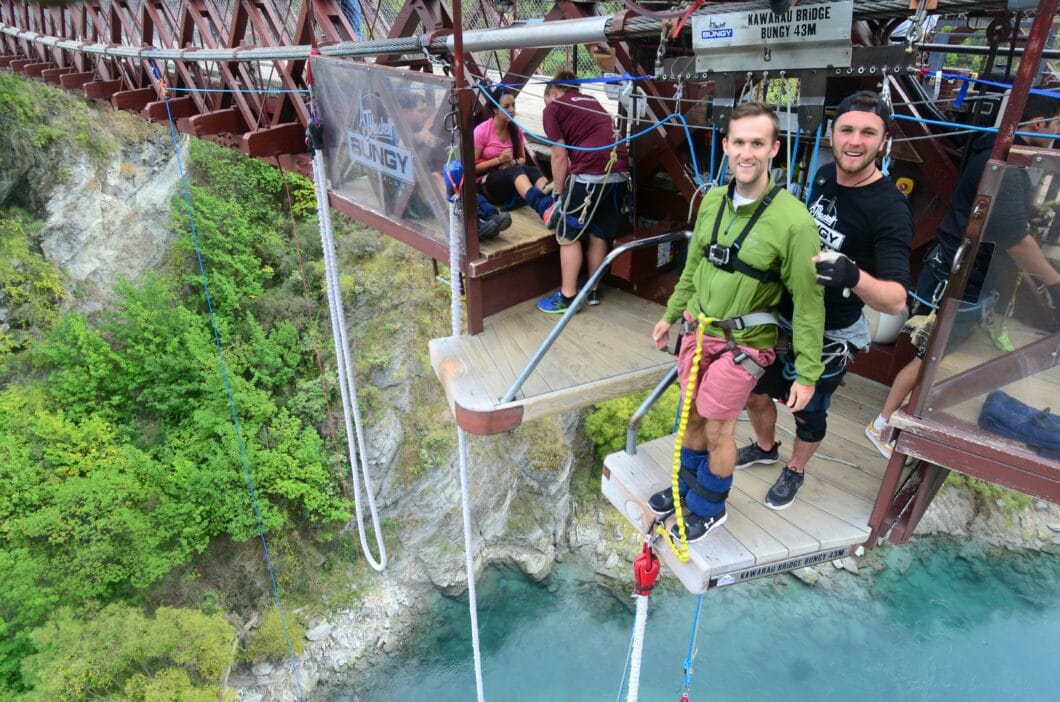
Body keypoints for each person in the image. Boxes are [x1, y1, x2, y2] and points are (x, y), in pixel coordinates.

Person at [647, 102, 825, 542]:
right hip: (698, 331)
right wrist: (671, 315)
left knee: (717, 424)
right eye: (739, 142)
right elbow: (693, 266)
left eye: (758, 143)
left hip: (744, 344)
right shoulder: (712, 201)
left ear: (774, 150)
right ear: (726, 146)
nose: (747, 153)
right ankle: (686, 489)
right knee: (690, 416)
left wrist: (807, 373)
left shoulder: (794, 223)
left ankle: (709, 506)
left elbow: (808, 302)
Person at [737, 91, 913, 509]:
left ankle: (795, 469)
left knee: (807, 411)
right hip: (780, 316)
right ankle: (765, 447)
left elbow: (895, 301)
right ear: (832, 134)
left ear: (884, 141)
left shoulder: (890, 208)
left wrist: (853, 275)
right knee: (755, 391)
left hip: (830, 331)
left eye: (868, 133)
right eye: (847, 130)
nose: (855, 141)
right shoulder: (822, 176)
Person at [866, 91, 1060, 459]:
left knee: (933, 352)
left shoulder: (992, 147)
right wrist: (1054, 282)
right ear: (1036, 124)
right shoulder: (1000, 162)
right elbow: (1016, 238)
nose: (1057, 134)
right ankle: (881, 422)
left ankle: (892, 417)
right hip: (953, 273)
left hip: (954, 265)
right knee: (929, 353)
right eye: (1056, 125)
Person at [536, 70, 630, 313]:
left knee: (568, 234)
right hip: (618, 172)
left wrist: (559, 193)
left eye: (547, 98)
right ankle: (594, 289)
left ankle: (568, 297)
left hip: (590, 175)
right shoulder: (592, 102)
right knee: (599, 233)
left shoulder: (554, 107)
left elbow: (559, 154)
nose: (546, 104)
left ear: (553, 92)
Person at [400, 91, 511, 241]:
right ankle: (471, 224)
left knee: (455, 174)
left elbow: (436, 112)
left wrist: (427, 125)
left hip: (433, 186)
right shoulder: (399, 124)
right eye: (420, 111)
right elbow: (399, 146)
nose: (425, 114)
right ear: (406, 112)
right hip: (408, 197)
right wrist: (419, 137)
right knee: (437, 178)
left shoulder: (420, 124)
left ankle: (490, 214)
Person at [474, 88, 550, 210]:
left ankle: (551, 202)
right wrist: (499, 160)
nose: (512, 110)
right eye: (506, 106)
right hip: (485, 186)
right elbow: (471, 169)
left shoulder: (515, 130)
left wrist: (512, 162)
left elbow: (522, 159)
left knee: (532, 170)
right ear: (495, 109)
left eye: (513, 105)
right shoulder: (481, 131)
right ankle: (542, 206)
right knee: (515, 171)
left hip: (507, 183)